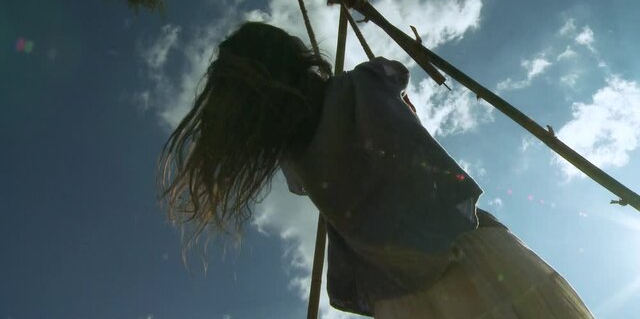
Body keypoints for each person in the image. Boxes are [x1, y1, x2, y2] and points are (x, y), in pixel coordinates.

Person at [157, 22, 595, 318]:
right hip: (466, 256)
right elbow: (396, 71)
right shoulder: (360, 83)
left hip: (404, 301)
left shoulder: (296, 161)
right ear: (299, 58)